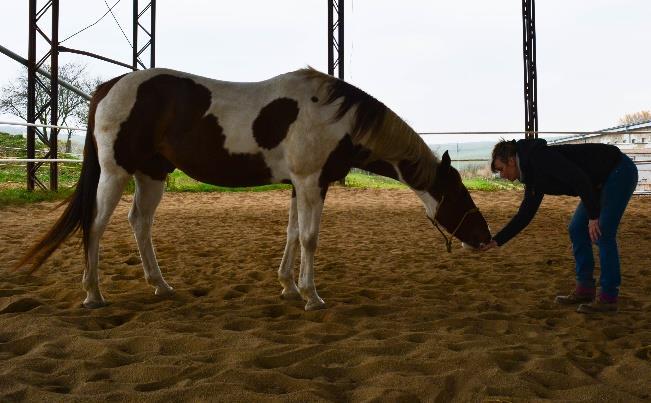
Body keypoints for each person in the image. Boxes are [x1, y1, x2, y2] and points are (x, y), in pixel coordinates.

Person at [480, 138, 638, 313]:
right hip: (596, 182)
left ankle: (609, 297)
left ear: (511, 160)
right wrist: (497, 240)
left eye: (501, 169)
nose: (502, 175)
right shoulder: (531, 175)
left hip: (618, 171)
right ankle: (585, 288)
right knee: (577, 228)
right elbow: (525, 215)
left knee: (602, 231)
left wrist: (593, 217)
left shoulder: (540, 158)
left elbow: (578, 179)